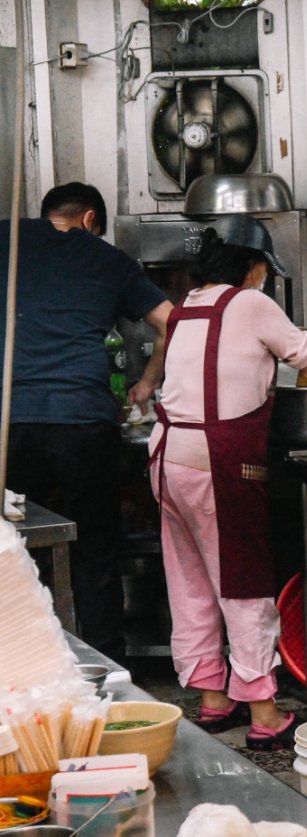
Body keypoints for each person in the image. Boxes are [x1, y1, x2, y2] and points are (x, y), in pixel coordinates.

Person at [147, 214, 307, 750]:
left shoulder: (186, 308)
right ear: (252, 267)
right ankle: (265, 712)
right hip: (219, 463)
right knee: (244, 584)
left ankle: (211, 698)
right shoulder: (250, 303)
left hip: (166, 458)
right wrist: (306, 377)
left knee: (191, 582)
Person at [0, 182, 172, 661]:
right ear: (91, 219)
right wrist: (150, 382)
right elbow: (171, 320)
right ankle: (108, 668)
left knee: (13, 548)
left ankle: (21, 665)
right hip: (83, 421)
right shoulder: (108, 259)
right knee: (94, 550)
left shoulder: (6, 240)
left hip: (11, 422)